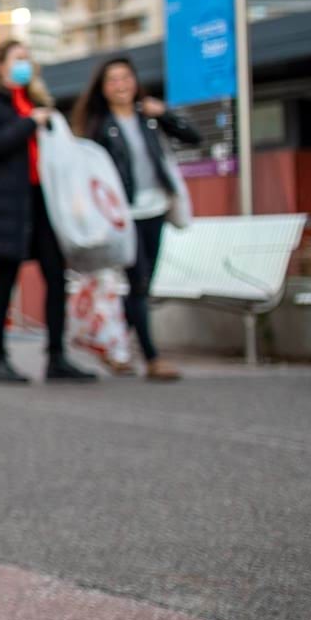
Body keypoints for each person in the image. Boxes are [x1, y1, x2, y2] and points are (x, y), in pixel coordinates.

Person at [0, 40, 94, 385]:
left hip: (42, 201)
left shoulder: (36, 102)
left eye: (28, 59)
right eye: (18, 58)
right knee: (6, 280)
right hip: (6, 204)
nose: (25, 64)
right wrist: (28, 123)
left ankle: (57, 357)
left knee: (55, 275)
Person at [71, 56, 197, 381]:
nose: (121, 85)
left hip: (156, 208)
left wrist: (165, 114)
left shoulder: (149, 119)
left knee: (144, 284)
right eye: (112, 80)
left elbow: (194, 137)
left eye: (126, 77)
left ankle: (113, 348)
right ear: (103, 88)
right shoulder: (100, 125)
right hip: (123, 216)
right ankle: (152, 359)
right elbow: (89, 172)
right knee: (138, 283)